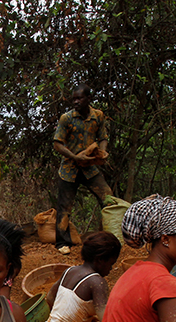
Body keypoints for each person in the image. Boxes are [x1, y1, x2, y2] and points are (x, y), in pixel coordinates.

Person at [36, 231, 120, 322]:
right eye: (111, 264)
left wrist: (84, 318)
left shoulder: (70, 271)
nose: (111, 270)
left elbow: (50, 299)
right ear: (100, 260)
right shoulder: (97, 282)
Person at [52, 84, 112, 255]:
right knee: (65, 206)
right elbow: (57, 144)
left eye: (79, 98)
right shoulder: (67, 118)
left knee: (108, 198)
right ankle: (62, 243)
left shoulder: (98, 116)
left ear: (88, 99)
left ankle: (108, 236)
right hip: (70, 169)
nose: (76, 102)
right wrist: (76, 157)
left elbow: (103, 138)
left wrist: (103, 151)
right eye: (74, 99)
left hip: (90, 168)